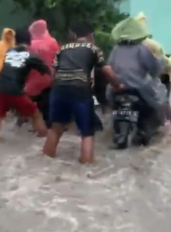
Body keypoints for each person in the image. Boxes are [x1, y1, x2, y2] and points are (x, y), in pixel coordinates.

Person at [43, 21, 122, 164]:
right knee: (87, 132)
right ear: (91, 35)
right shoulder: (93, 49)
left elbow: (52, 73)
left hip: (59, 89)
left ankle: (46, 159)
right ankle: (86, 167)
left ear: (73, 35)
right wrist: (118, 84)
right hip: (79, 89)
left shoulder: (62, 49)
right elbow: (106, 70)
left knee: (55, 128)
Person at [0, 26, 50, 149]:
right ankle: (44, 139)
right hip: (15, 90)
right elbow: (47, 71)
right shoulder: (31, 56)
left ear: (15, 41)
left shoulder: (9, 53)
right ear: (30, 41)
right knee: (35, 114)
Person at [109, 16, 168, 129]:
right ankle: (161, 124)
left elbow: (109, 66)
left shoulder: (115, 49)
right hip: (138, 88)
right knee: (160, 93)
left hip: (116, 88)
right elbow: (153, 68)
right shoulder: (142, 49)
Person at [25, 20, 59, 128]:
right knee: (47, 105)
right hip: (48, 78)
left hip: (31, 80)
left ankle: (27, 123)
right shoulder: (52, 42)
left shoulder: (30, 44)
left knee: (30, 105)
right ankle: (48, 125)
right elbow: (58, 61)